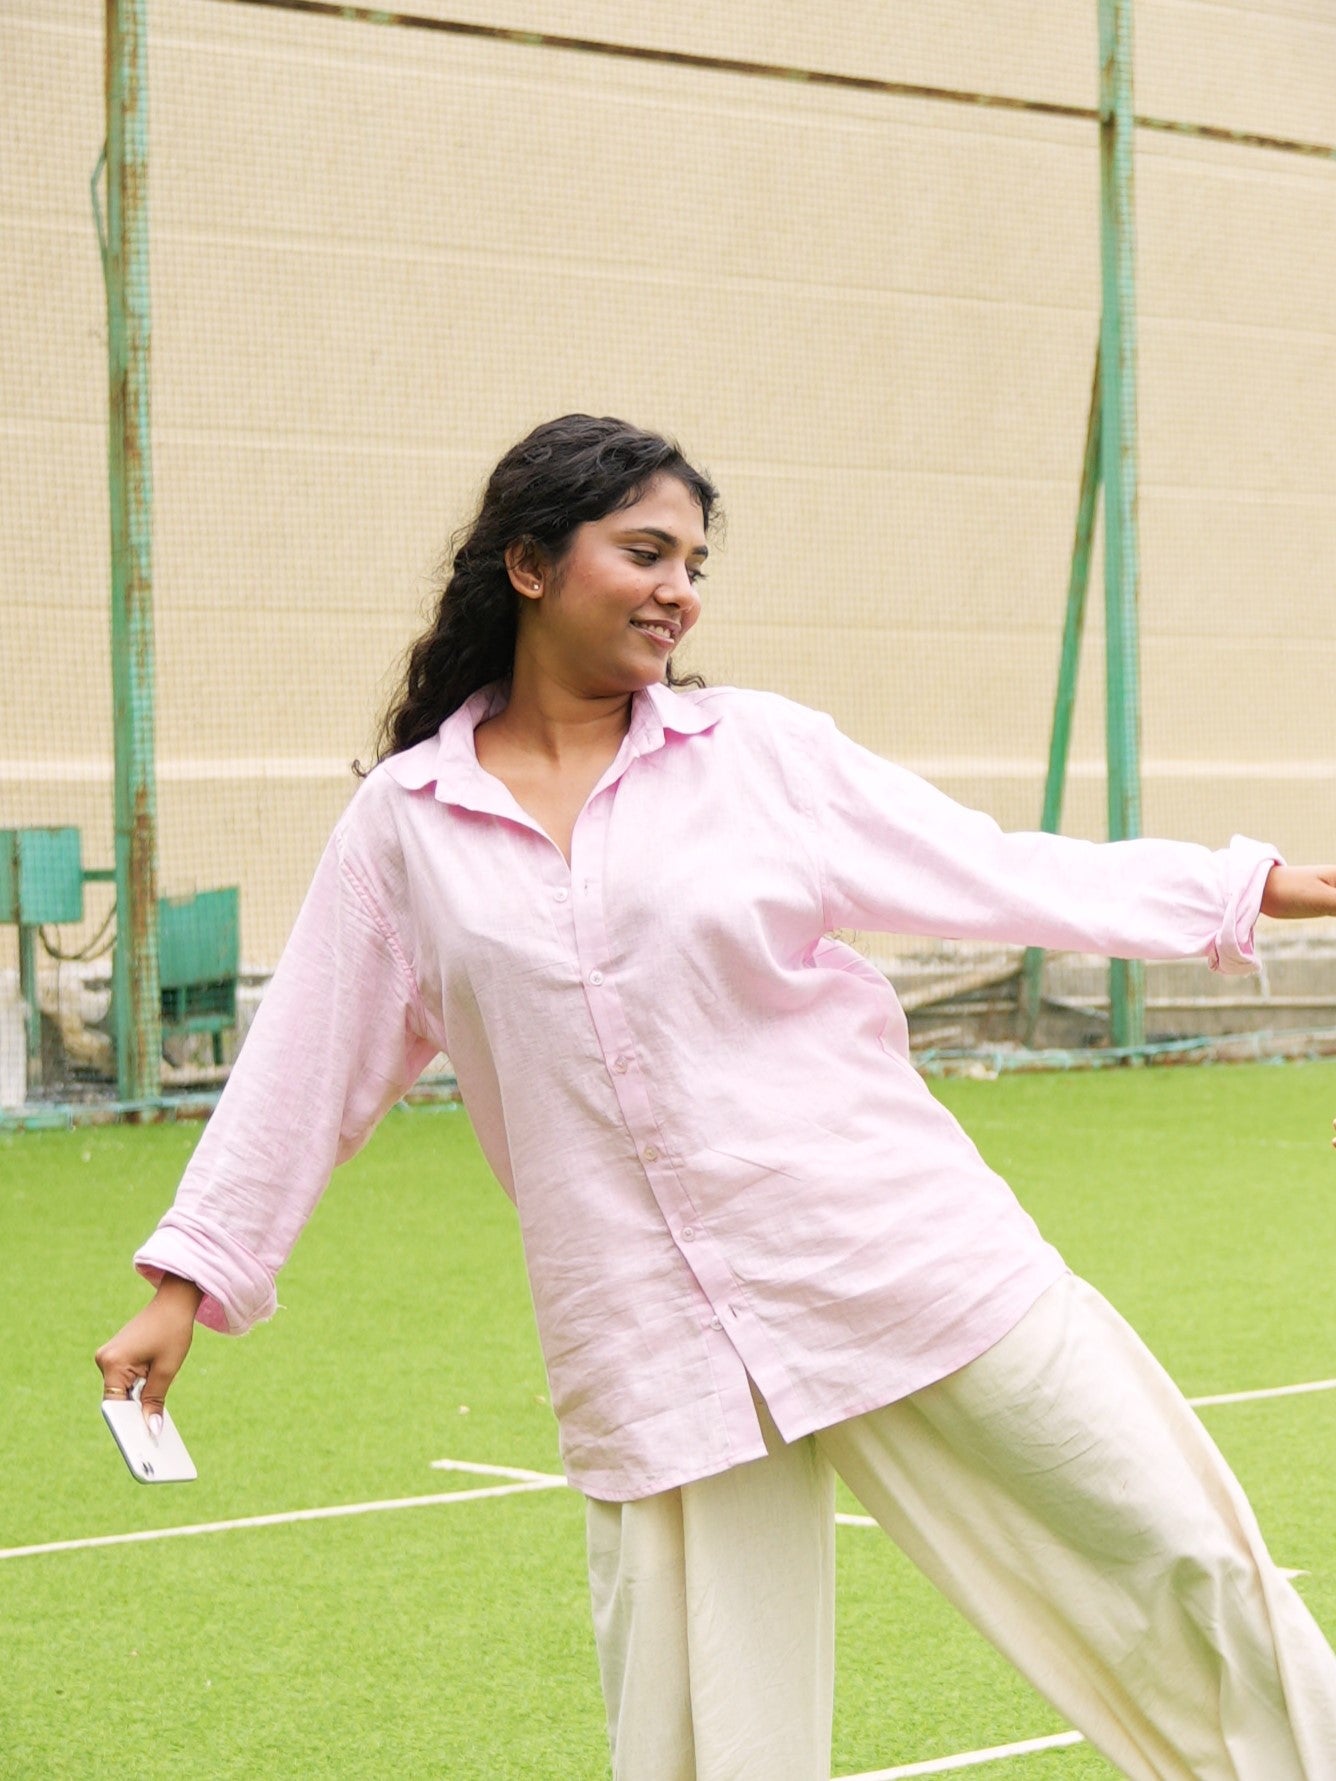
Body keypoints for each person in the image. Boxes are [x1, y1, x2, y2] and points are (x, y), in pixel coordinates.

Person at [97, 414, 1336, 1781]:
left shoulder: (760, 754)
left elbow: (996, 869)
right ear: (528, 563)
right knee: (706, 1729)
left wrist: (1244, 889)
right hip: (651, 1336)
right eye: (645, 553)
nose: (679, 589)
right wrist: (186, 1282)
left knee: (1183, 1557)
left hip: (898, 1250)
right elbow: (303, 1063)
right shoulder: (405, 825)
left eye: (694, 563)